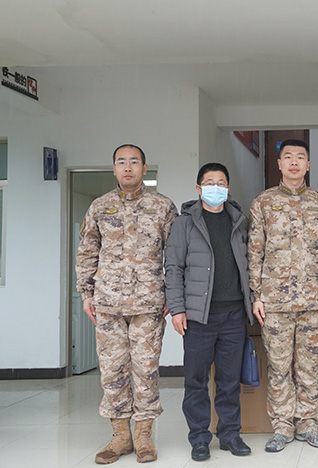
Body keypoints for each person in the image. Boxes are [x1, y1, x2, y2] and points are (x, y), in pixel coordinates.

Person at [76, 144, 177, 464]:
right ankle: (120, 436)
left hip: (149, 303)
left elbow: (175, 255)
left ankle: (144, 435)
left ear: (145, 168)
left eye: (134, 162)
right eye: (122, 162)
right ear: (114, 168)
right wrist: (86, 294)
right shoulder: (99, 207)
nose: (128, 167)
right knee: (112, 371)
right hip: (108, 303)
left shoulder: (162, 206)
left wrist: (173, 295)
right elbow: (87, 252)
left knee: (146, 370)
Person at [248, 139, 318, 452]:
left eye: (300, 157)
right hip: (274, 301)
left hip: (313, 299)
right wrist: (256, 295)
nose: (294, 162)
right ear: (280, 164)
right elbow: (254, 251)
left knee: (309, 365)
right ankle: (282, 426)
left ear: (308, 165)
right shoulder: (263, 202)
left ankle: (308, 424)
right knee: (279, 367)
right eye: (288, 157)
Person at [164, 163, 254, 462]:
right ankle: (199, 438)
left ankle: (229, 434)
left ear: (228, 188)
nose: (216, 187)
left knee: (229, 380)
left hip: (233, 314)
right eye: (210, 182)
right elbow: (173, 267)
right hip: (198, 316)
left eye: (221, 182)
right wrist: (177, 309)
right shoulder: (184, 223)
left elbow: (249, 264)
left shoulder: (239, 220)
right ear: (199, 188)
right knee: (196, 380)